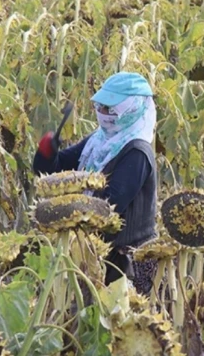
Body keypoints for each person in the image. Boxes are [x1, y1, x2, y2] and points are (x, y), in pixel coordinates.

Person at [33, 72, 158, 296]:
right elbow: (58, 170)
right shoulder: (99, 140)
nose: (103, 114)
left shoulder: (137, 152)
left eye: (110, 109)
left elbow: (108, 204)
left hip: (124, 264)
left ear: (132, 108)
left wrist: (61, 214)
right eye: (100, 107)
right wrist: (47, 153)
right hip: (92, 252)